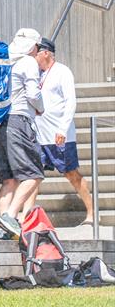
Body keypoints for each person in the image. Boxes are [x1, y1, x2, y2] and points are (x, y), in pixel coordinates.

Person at [33, 37, 95, 226]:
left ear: (45, 53)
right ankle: (27, 217)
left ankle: (92, 214)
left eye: (36, 53)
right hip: (39, 135)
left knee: (72, 174)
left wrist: (62, 128)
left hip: (60, 136)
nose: (33, 57)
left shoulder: (62, 72)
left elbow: (71, 101)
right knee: (33, 177)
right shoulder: (37, 74)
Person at [0, 28, 45, 238]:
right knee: (34, 174)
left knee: (8, 179)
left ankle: (3, 230)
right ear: (33, 46)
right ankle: (10, 216)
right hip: (17, 120)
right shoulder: (27, 62)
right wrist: (41, 108)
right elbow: (33, 95)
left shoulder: (2, 60)